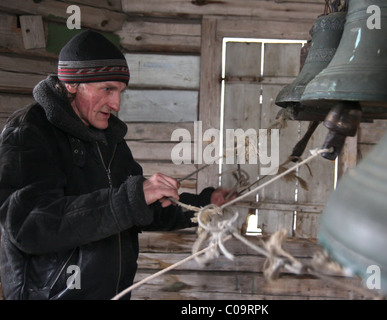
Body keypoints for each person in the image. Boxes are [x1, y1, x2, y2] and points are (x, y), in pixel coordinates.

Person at [0, 30, 235, 300]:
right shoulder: (30, 131)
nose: (116, 104)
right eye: (107, 89)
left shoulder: (107, 139)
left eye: (120, 91)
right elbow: (29, 225)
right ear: (72, 84)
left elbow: (135, 208)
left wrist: (204, 206)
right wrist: (131, 198)